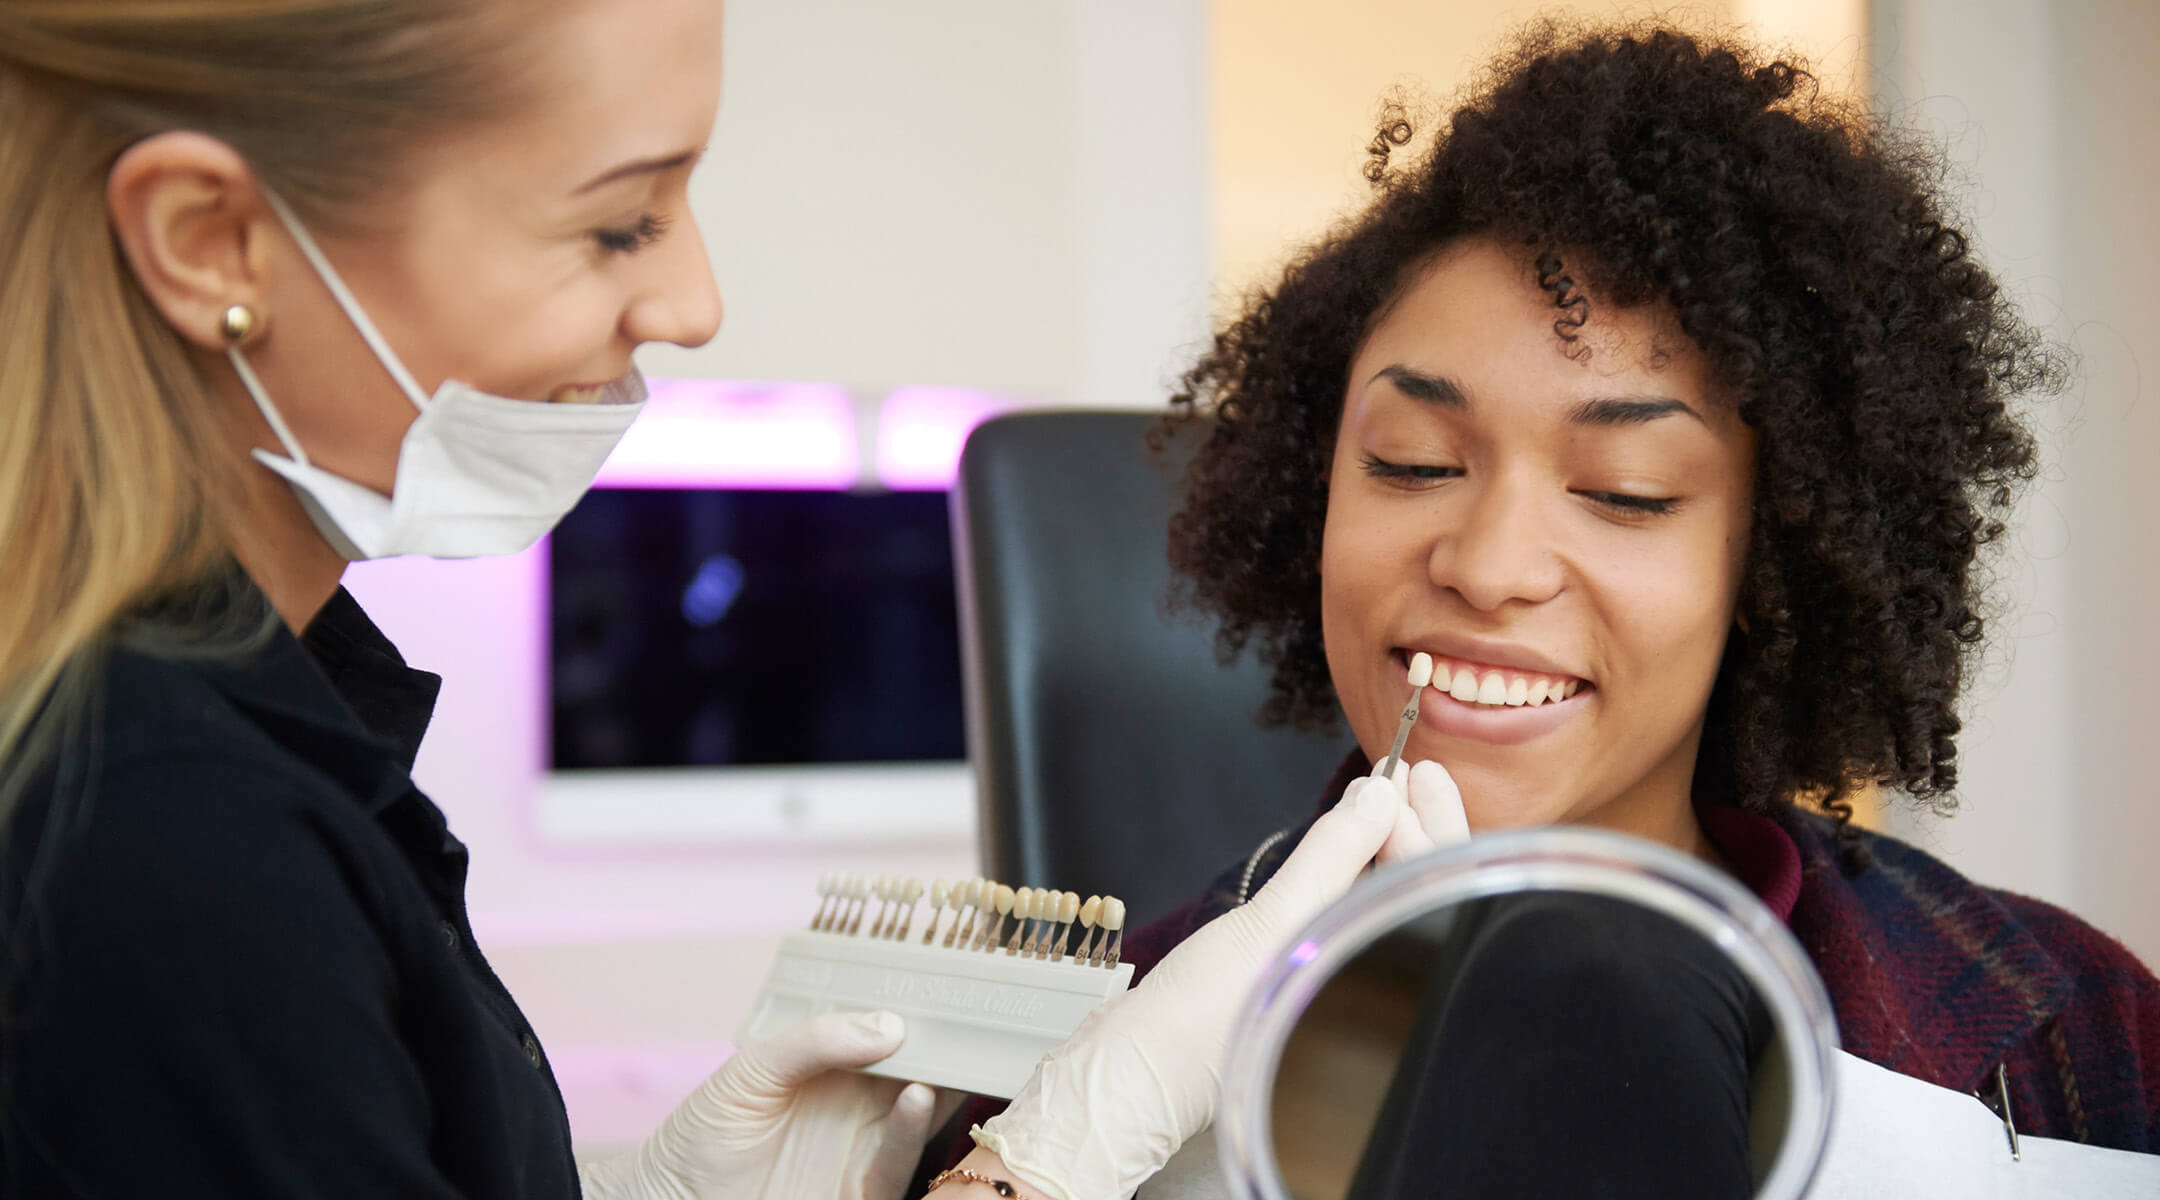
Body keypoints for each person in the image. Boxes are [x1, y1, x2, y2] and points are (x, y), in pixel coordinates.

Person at [0, 2, 1464, 1197]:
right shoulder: (154, 843)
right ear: (210, 240)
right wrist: (1039, 1165)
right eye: (618, 223)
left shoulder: (266, 719)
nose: (695, 302)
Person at [919, 19, 2160, 1195]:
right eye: (1410, 463)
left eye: (1624, 492)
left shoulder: (2071, 1030)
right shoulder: (1073, 1080)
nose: (1490, 564)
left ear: (1773, 565)